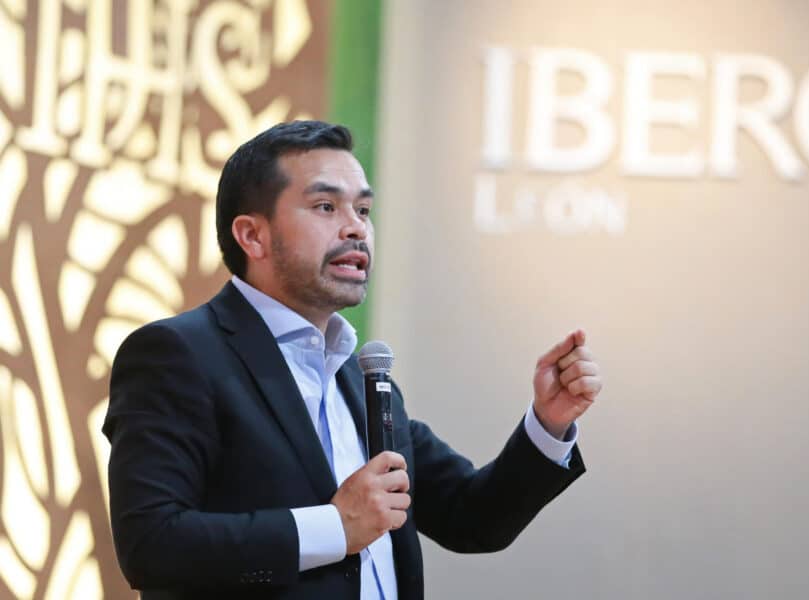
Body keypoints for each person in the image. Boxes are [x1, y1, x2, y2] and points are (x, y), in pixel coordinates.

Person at [103, 121, 603, 600]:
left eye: (363, 211)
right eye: (325, 206)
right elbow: (153, 543)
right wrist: (334, 528)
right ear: (252, 236)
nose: (356, 230)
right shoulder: (177, 355)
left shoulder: (360, 377)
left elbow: (473, 518)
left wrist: (548, 423)